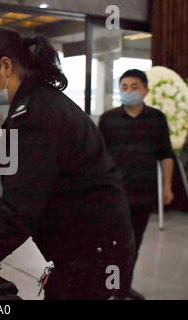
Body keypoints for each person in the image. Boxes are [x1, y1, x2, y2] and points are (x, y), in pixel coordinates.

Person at [0, 28, 136, 300]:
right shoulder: (35, 104)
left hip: (92, 250)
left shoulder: (36, 116)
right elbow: (20, 195)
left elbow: (20, 210)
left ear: (5, 66)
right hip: (82, 242)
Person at [99, 69, 175, 300]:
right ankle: (109, 288)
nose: (128, 91)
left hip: (144, 194)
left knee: (134, 245)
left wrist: (167, 186)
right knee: (113, 245)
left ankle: (123, 289)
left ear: (145, 90)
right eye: (124, 87)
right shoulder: (108, 119)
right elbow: (97, 157)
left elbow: (166, 154)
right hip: (114, 196)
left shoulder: (157, 118)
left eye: (134, 87)